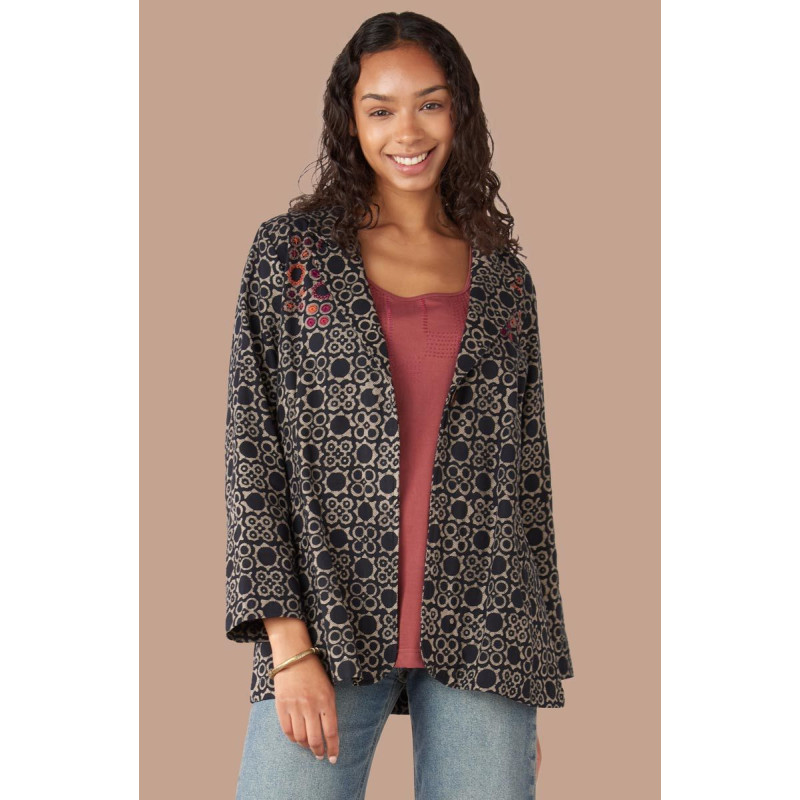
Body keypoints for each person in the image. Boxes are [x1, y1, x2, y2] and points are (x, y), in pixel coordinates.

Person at [225, 11, 574, 799]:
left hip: (487, 624)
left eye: (430, 104)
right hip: (329, 613)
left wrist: (531, 671)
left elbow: (528, 480)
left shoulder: (504, 278)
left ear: (461, 112)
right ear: (350, 122)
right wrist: (286, 645)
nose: (407, 132)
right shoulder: (291, 255)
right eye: (380, 109)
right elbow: (253, 449)